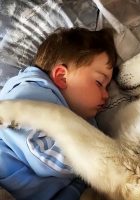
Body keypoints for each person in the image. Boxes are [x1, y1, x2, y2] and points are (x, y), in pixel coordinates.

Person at [0, 27, 117, 200]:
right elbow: (42, 155)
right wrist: (97, 162)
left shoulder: (85, 118)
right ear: (62, 77)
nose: (106, 95)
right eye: (99, 83)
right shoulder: (29, 92)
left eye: (107, 87)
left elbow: (80, 182)